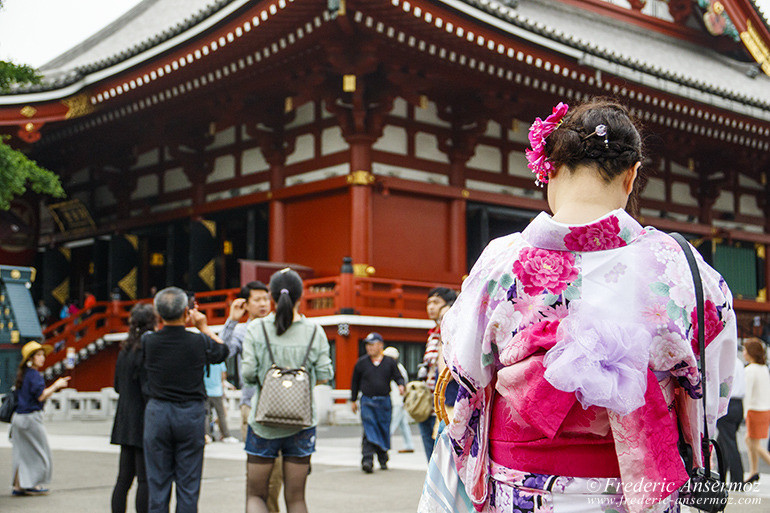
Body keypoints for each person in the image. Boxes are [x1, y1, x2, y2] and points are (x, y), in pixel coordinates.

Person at [419, 98, 737, 512]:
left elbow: (465, 373)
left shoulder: (500, 263)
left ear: (549, 170)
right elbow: (713, 389)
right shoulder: (680, 268)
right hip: (642, 491)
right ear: (631, 175)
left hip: (522, 488)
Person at [241, 269, 333, 513]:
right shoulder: (315, 331)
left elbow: (248, 375)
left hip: (263, 423)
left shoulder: (256, 329)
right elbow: (325, 375)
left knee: (256, 495)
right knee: (296, 498)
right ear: (300, 296)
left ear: (271, 295)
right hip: (302, 424)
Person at [141, 287, 230, 513]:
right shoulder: (198, 341)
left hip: (158, 411)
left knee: (158, 484)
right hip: (190, 414)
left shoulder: (148, 341)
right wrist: (203, 327)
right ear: (186, 312)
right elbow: (222, 351)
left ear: (159, 314)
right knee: (188, 485)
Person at [219, 281, 282, 512]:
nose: (264, 304)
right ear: (246, 303)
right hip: (252, 405)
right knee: (259, 470)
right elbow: (221, 353)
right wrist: (231, 320)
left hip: (283, 408)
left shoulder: (280, 326)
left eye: (266, 298)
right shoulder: (241, 331)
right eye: (257, 299)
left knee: (279, 470)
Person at [111, 303, 157, 513]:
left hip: (124, 417)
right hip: (143, 417)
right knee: (144, 479)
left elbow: (117, 386)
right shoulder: (148, 350)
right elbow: (148, 388)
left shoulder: (124, 350)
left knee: (123, 479)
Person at [10, 341, 70, 496]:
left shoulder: (23, 374)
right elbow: (40, 396)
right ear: (31, 358)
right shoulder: (34, 375)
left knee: (21, 453)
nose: (42, 358)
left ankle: (18, 486)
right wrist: (56, 385)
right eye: (38, 355)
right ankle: (32, 484)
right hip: (30, 419)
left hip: (18, 418)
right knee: (40, 452)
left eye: (42, 354)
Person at [350, 332, 406, 473]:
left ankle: (383, 458)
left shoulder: (389, 362)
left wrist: (401, 385)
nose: (369, 348)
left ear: (380, 345)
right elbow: (354, 382)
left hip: (384, 401)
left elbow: (398, 377)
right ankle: (367, 460)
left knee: (382, 429)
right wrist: (353, 399)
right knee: (369, 430)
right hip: (367, 401)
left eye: (372, 344)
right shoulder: (361, 363)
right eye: (367, 345)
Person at [418, 287, 457, 460]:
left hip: (446, 398)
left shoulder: (449, 336)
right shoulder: (433, 335)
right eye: (428, 303)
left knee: (443, 451)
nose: (430, 307)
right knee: (431, 448)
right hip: (430, 398)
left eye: (436, 302)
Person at [741, 337, 770, 484]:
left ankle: (754, 471)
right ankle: (753, 471)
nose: (744, 353)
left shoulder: (750, 370)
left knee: (755, 444)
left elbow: (748, 394)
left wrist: (745, 413)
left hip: (755, 410)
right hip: (765, 410)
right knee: (750, 440)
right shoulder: (764, 369)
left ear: (751, 352)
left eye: (745, 350)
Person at [716, 345, 745, 485]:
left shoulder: (725, 362)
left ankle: (737, 479)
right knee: (723, 441)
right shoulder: (739, 362)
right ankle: (721, 476)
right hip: (738, 405)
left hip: (727, 403)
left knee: (729, 442)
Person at [383, 346, 415, 453]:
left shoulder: (396, 368)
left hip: (397, 401)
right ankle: (409, 445)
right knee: (403, 424)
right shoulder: (399, 367)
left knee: (391, 424)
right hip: (399, 401)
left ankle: (384, 446)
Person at [203, 360, 238, 443]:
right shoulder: (220, 362)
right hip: (217, 391)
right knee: (221, 415)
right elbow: (223, 378)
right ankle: (226, 435)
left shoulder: (204, 361)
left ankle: (207, 435)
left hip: (205, 391)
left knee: (206, 415)